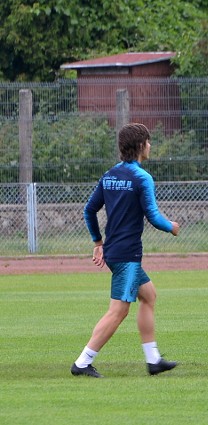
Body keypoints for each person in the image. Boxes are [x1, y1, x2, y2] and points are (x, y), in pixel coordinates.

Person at [71, 123, 181, 378]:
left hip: (116, 251)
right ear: (141, 146)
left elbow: (89, 210)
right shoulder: (142, 177)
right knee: (119, 310)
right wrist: (172, 227)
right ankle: (83, 362)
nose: (150, 146)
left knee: (149, 296)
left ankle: (153, 360)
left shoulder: (110, 175)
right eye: (149, 141)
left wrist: (98, 242)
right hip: (127, 255)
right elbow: (153, 216)